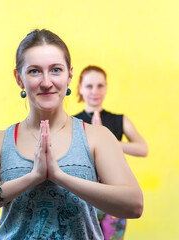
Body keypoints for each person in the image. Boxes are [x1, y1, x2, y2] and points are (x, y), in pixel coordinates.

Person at [0, 29, 143, 239]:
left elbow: (134, 206)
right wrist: (32, 177)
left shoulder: (98, 137)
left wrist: (60, 176)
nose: (46, 82)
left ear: (69, 75)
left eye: (56, 70)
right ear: (18, 78)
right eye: (34, 71)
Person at [74, 65, 148, 239]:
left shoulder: (119, 120)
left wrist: (108, 141)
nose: (95, 91)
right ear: (80, 88)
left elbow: (142, 149)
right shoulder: (72, 122)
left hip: (115, 195)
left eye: (100, 85)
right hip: (84, 198)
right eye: (89, 86)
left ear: (106, 87)